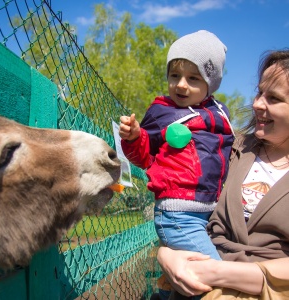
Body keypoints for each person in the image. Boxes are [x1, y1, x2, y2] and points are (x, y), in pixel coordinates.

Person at [157, 49, 289, 300]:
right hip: (195, 283)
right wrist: (166, 255)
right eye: (259, 92)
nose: (257, 103)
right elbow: (184, 206)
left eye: (273, 98)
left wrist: (219, 273)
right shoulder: (228, 147)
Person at [118, 30, 234, 300]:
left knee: (189, 286)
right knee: (214, 280)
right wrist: (135, 137)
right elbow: (144, 154)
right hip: (178, 214)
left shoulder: (220, 115)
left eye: (193, 78)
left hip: (208, 212)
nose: (181, 85)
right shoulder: (163, 112)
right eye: (174, 76)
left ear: (210, 84)